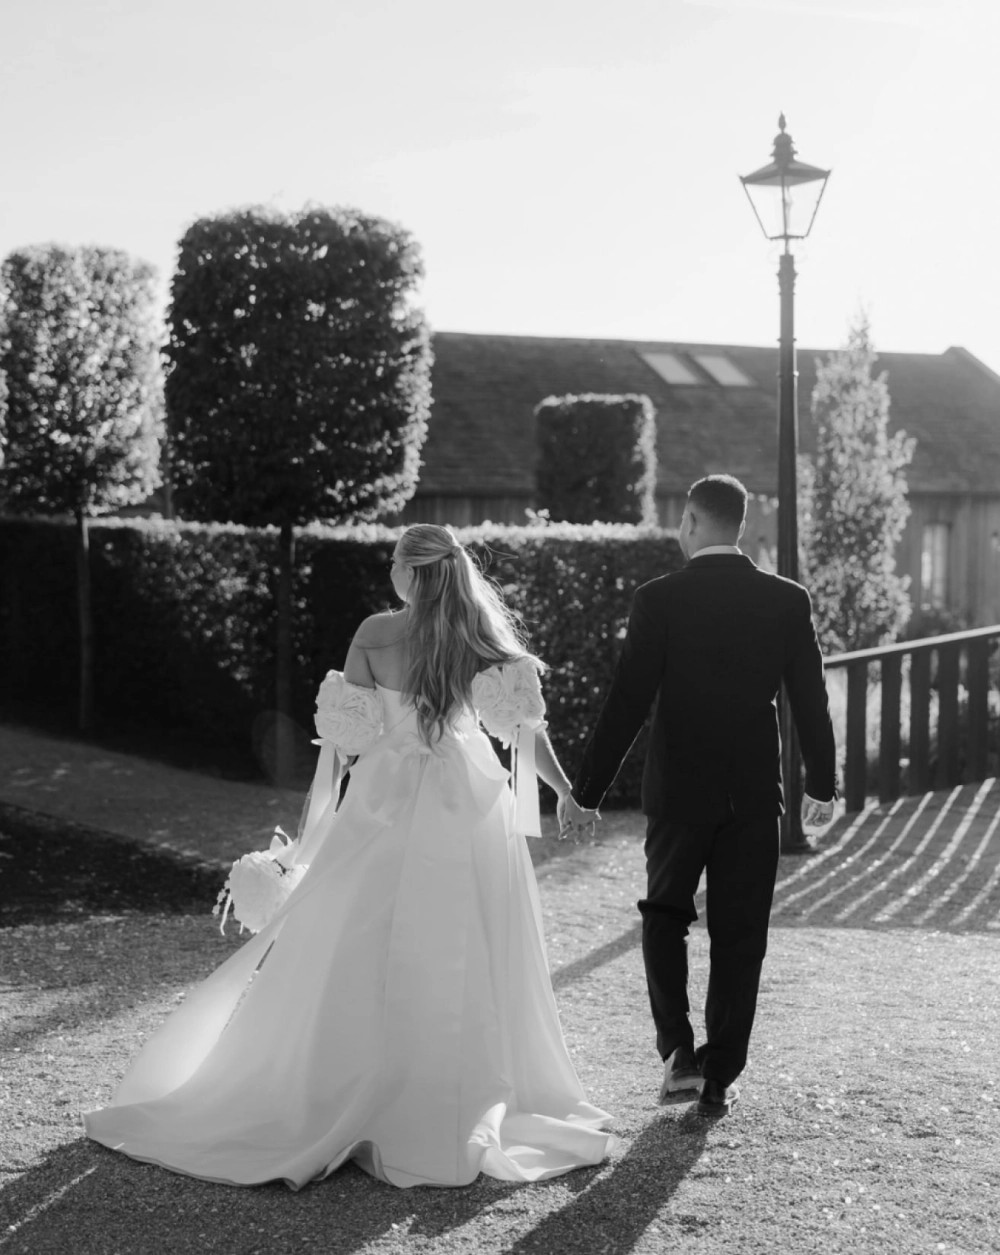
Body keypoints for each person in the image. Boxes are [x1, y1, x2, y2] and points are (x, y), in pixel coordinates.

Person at [85, 524, 613, 1189]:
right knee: (466, 936)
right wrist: (565, 794)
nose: (388, 569)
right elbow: (524, 732)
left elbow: (344, 743)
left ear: (411, 572)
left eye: (393, 560)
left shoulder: (375, 633)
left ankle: (343, 1080)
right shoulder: (480, 636)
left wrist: (312, 837)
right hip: (465, 799)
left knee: (356, 927)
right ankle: (445, 1083)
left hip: (385, 796)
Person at [564, 474, 837, 1118]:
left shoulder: (659, 599)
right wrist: (822, 785)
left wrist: (586, 792)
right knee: (742, 934)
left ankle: (678, 1054)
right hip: (752, 794)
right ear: (739, 525)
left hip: (680, 792)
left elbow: (627, 702)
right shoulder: (786, 599)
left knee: (664, 914)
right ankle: (719, 1075)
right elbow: (811, 701)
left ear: (689, 521)